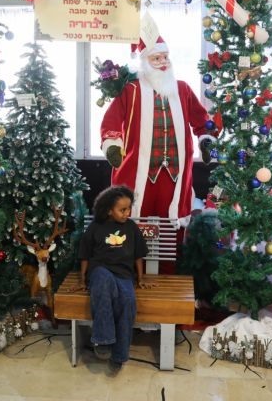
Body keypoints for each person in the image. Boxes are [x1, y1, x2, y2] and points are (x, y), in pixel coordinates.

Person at [100, 27, 215, 221]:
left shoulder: (182, 89)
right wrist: (112, 145)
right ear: (145, 62)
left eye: (165, 57)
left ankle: (172, 251)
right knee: (136, 216)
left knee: (172, 222)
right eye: (156, 58)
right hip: (139, 169)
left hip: (174, 172)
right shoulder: (131, 90)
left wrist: (205, 139)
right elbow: (111, 121)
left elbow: (201, 119)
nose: (163, 62)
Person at [74, 185, 150, 374]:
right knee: (103, 283)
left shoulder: (131, 227)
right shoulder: (96, 227)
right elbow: (85, 255)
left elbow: (138, 255)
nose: (127, 213)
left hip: (124, 274)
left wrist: (140, 279)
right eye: (122, 209)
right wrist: (82, 280)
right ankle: (103, 340)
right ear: (109, 210)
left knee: (128, 301)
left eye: (129, 208)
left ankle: (119, 354)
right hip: (100, 270)